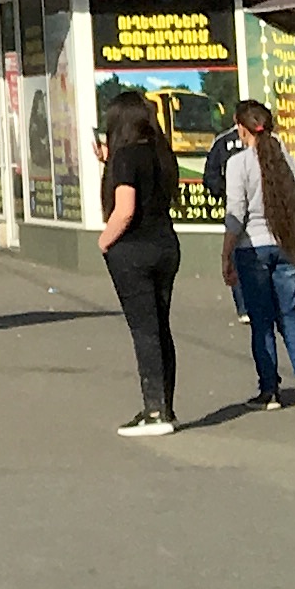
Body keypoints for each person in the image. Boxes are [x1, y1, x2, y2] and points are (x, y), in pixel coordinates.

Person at [96, 85, 184, 438]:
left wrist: (104, 242)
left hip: (133, 250)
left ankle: (153, 412)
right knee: (161, 327)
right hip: (166, 246)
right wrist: (108, 163)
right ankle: (165, 405)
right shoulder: (162, 154)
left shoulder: (125, 158)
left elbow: (125, 208)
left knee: (144, 330)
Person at [222, 97, 295, 408]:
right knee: (290, 316)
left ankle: (269, 390)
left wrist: (226, 255)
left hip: (253, 249)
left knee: (261, 321)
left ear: (241, 128)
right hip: (284, 246)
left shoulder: (238, 163)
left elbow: (236, 213)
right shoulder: (286, 160)